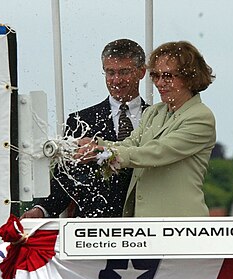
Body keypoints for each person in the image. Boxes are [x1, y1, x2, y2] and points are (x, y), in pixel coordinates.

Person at [76, 41, 216, 217]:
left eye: (167, 76)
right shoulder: (153, 112)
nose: (159, 83)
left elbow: (156, 152)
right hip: (144, 224)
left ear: (189, 77)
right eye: (155, 76)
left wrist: (103, 152)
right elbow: (130, 143)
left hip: (181, 224)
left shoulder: (201, 117)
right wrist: (94, 143)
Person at [21, 38, 147, 218]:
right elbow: (65, 178)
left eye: (124, 72)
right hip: (92, 229)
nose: (116, 80)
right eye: (110, 72)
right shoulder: (80, 121)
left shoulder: (158, 119)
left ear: (141, 72)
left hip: (147, 226)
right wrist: (41, 210)